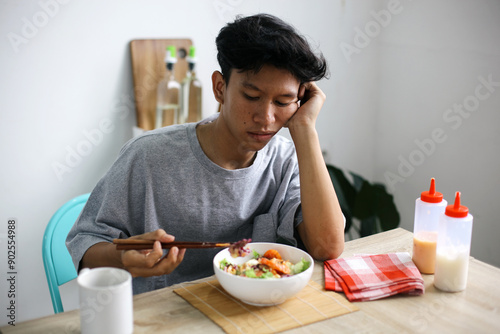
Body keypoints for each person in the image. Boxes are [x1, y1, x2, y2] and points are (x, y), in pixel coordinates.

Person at [66, 13, 345, 294]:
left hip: (250, 312)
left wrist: (306, 129)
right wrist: (122, 259)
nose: (266, 117)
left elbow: (327, 246)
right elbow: (86, 244)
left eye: (283, 101)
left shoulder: (285, 161)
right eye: (251, 97)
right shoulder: (148, 157)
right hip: (163, 317)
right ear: (220, 88)